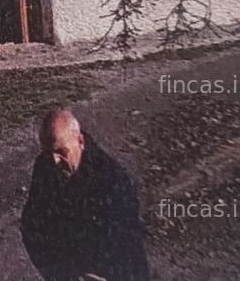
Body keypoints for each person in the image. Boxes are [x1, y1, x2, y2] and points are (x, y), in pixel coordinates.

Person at [20, 109, 149, 281]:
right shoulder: (45, 167)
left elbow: (126, 249)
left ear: (80, 141)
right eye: (48, 151)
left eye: (61, 151)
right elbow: (32, 226)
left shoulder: (113, 183)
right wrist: (63, 273)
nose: (54, 160)